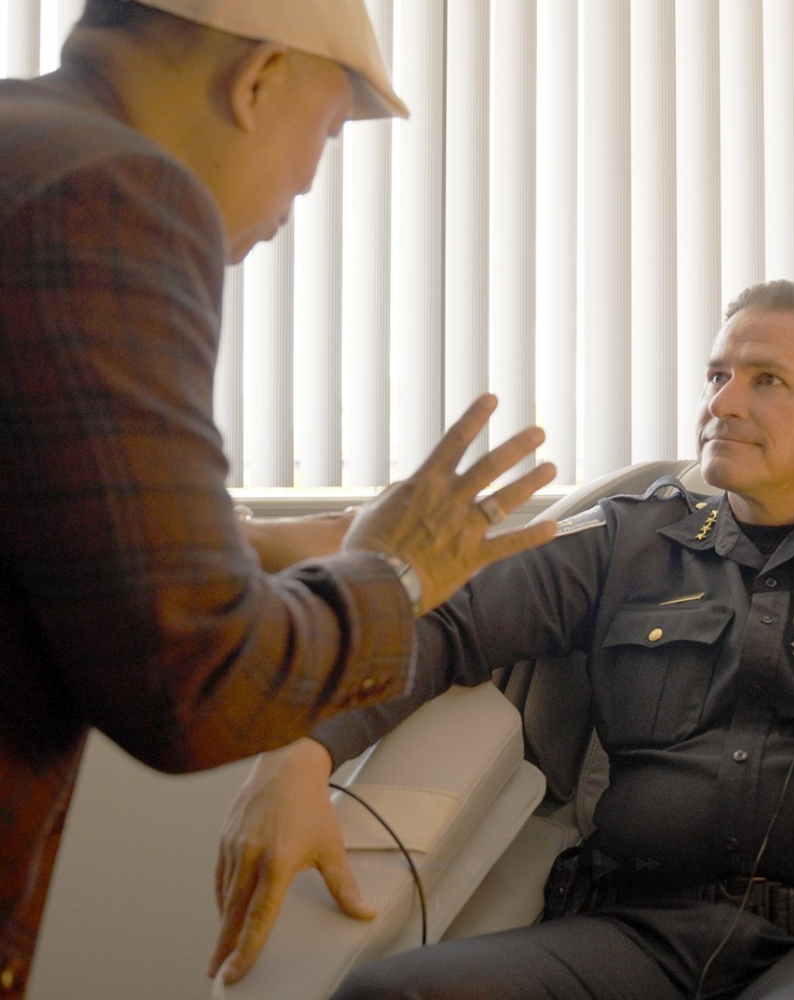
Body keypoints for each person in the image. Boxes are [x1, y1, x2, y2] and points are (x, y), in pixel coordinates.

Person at [214, 278, 794, 999]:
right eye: (716, 376)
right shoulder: (629, 540)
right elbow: (438, 621)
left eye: (766, 380)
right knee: (390, 995)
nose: (723, 404)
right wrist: (299, 752)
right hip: (636, 936)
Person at [0, 1, 559, 997]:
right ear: (257, 79)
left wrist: (244, 541)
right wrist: (396, 572)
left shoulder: (25, 144)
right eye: (328, 134)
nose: (305, 186)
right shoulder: (113, 193)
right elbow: (198, 688)